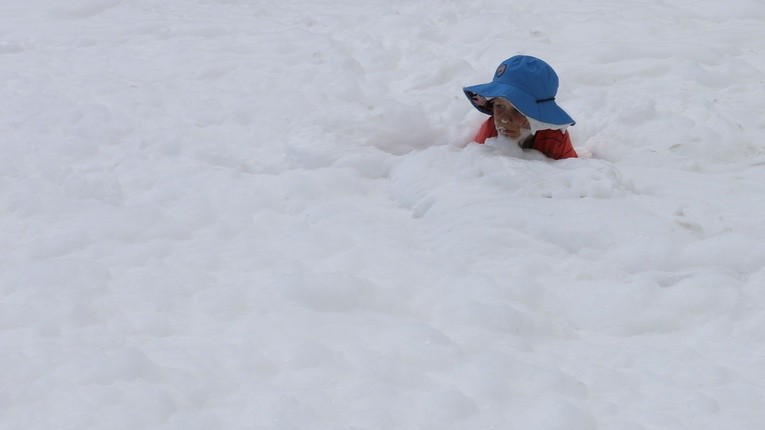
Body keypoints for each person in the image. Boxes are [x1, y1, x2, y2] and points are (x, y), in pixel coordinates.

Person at [463, 55, 577, 159]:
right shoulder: (490, 129)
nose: (504, 119)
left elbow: (575, 172)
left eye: (518, 110)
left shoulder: (554, 138)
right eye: (499, 106)